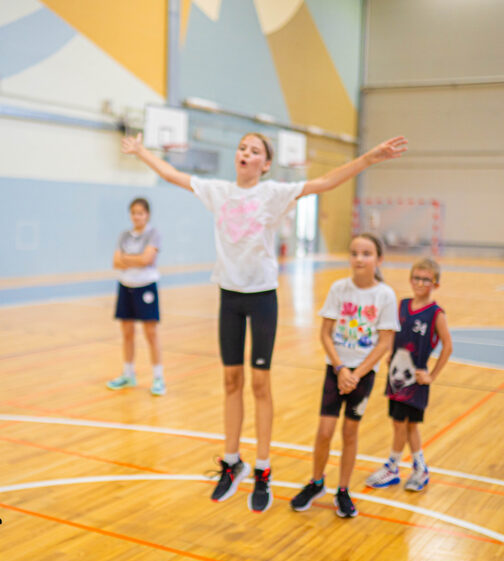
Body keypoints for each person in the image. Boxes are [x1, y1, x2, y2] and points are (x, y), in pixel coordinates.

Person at [121, 131, 407, 513]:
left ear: (265, 163)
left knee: (259, 383)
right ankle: (232, 459)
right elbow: (173, 175)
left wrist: (368, 158)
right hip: (229, 296)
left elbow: (324, 182)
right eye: (242, 147)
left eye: (254, 150)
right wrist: (141, 151)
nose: (245, 153)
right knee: (230, 380)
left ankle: (263, 467)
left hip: (261, 299)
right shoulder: (217, 191)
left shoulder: (272, 194)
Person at [290, 234, 400, 518]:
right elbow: (325, 333)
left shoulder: (385, 295)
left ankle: (343, 490)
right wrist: (340, 369)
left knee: (349, 433)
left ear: (378, 259)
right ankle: (316, 483)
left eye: (366, 253)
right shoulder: (339, 289)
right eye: (354, 253)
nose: (359, 259)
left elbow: (385, 343)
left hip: (362, 376)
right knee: (324, 431)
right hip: (335, 370)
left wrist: (355, 374)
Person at [366, 257, 452, 491]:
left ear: (435, 284)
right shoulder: (402, 305)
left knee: (404, 424)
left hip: (416, 381)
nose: (421, 283)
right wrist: (390, 353)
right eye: (417, 278)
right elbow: (393, 333)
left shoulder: (436, 313)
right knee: (403, 424)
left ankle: (394, 466)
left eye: (426, 279)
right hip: (396, 377)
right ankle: (419, 468)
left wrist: (432, 376)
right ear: (410, 279)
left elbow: (448, 346)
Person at [106, 197, 166, 396]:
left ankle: (158, 377)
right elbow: (116, 262)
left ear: (147, 214)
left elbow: (148, 259)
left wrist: (128, 259)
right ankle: (128, 374)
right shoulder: (124, 235)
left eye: (140, 213)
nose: (137, 216)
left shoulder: (153, 234)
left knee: (151, 333)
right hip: (125, 286)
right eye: (133, 212)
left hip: (146, 287)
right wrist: (136, 260)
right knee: (127, 332)